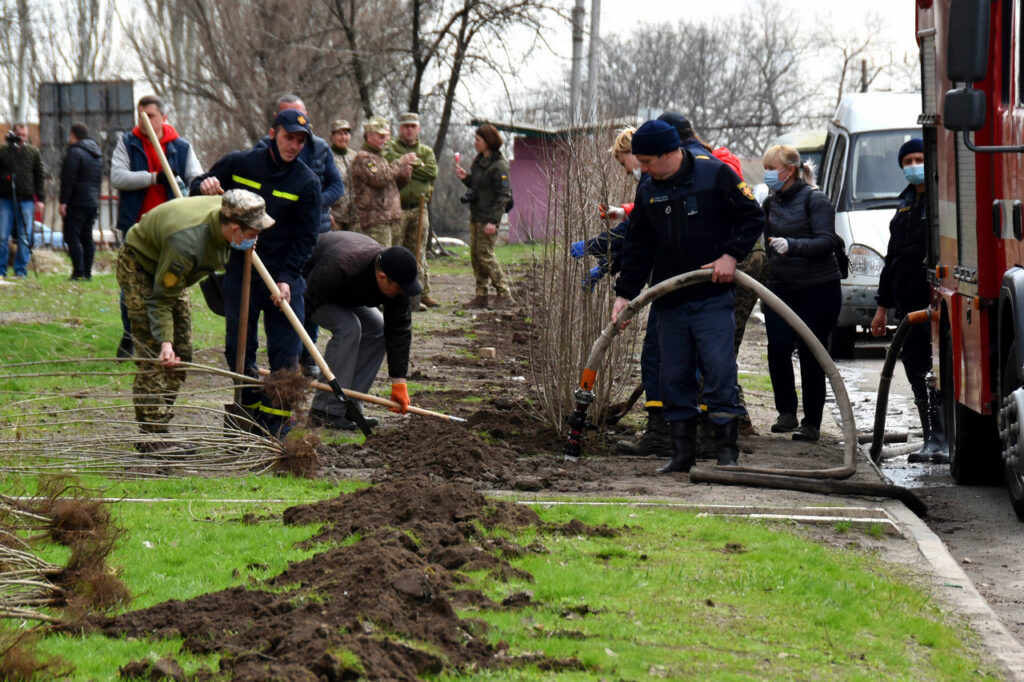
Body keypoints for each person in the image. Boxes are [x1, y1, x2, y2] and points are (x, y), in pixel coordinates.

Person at [612, 119, 763, 474]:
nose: (643, 170)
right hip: (670, 300)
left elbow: (751, 217)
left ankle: (727, 453)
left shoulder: (716, 176)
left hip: (711, 295)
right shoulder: (649, 188)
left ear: (670, 153)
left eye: (647, 162)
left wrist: (730, 254)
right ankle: (682, 455)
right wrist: (624, 296)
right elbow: (638, 246)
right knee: (674, 376)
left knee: (719, 370)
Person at [191, 108, 321, 438]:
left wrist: (288, 278)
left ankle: (276, 424)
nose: (294, 145)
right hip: (242, 269)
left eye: (300, 140)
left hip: (282, 277)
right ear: (273, 132)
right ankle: (245, 418)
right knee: (239, 348)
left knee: (286, 354)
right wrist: (204, 185)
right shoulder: (241, 164)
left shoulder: (306, 182)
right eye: (289, 137)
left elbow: (307, 237)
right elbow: (198, 188)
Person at [117, 190, 274, 452]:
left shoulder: (228, 214)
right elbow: (160, 300)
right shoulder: (187, 245)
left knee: (184, 352)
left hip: (168, 265)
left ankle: (161, 427)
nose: (255, 239)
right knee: (157, 354)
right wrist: (165, 342)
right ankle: (152, 438)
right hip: (142, 265)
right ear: (234, 228)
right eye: (252, 234)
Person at [658, 111, 767, 439]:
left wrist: (729, 256)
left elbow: (743, 216)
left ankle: (727, 427)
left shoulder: (704, 165)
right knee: (716, 348)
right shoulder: (700, 160)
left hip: (739, 264)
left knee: (717, 349)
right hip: (738, 260)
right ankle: (730, 422)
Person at [870, 138, 948, 464]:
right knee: (916, 371)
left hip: (933, 304)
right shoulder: (903, 206)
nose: (914, 164)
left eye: (919, 158)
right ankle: (930, 438)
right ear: (902, 167)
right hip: (908, 308)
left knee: (936, 372)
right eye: (908, 160)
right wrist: (882, 308)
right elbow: (893, 261)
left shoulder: (940, 202)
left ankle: (944, 438)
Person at [761, 144, 842, 443]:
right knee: (778, 347)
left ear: (790, 171)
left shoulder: (815, 199)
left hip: (817, 289)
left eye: (772, 169)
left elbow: (827, 241)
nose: (768, 175)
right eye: (766, 168)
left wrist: (791, 245)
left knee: (811, 353)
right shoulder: (769, 204)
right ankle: (786, 412)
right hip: (781, 288)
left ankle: (812, 423)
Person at [111, 95, 204, 358]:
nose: (144, 121)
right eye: (140, 115)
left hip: (171, 230)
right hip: (135, 226)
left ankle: (169, 341)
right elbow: (118, 176)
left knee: (170, 283)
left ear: (163, 118)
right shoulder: (128, 143)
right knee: (130, 286)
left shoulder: (181, 147)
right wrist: (154, 178)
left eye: (150, 116)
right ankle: (130, 336)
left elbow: (196, 179)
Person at [304, 231, 420, 429]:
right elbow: (304, 308)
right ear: (383, 277)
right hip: (308, 286)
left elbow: (398, 331)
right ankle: (324, 411)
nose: (402, 294)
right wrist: (296, 354)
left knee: (379, 328)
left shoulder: (395, 281)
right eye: (400, 289)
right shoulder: (342, 264)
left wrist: (399, 382)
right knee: (349, 328)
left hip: (344, 292)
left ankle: (350, 407)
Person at [255, 95, 344, 236]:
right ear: (276, 117)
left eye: (300, 116)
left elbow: (337, 184)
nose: (294, 119)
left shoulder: (321, 147)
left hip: (318, 228)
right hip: (278, 230)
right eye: (287, 115)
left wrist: (317, 202)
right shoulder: (264, 147)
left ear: (306, 116)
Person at [454, 123, 513, 309]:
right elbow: (479, 188)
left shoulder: (500, 166)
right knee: (476, 256)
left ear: (488, 142)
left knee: (486, 255)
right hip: (476, 215)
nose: (475, 143)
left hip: (488, 218)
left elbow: (504, 196)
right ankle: (481, 294)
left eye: (478, 140)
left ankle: (504, 293)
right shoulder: (479, 162)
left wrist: (493, 221)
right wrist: (467, 179)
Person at [384, 112, 440, 308]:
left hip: (419, 207)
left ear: (418, 129)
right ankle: (396, 291)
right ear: (400, 128)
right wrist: (409, 163)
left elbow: (432, 171)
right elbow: (390, 163)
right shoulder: (391, 147)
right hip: (397, 207)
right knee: (396, 249)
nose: (409, 129)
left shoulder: (425, 150)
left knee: (418, 249)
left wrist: (408, 165)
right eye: (406, 126)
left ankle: (422, 292)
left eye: (413, 126)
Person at [350, 116, 416, 248]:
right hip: (375, 220)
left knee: (393, 260)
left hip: (390, 218)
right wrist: (400, 162)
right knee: (381, 259)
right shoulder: (364, 159)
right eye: (381, 137)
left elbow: (390, 186)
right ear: (369, 136)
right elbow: (380, 179)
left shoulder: (380, 158)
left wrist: (403, 176)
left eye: (386, 136)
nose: (385, 140)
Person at [58, 122, 103, 281]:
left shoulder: (74, 153)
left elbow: (68, 180)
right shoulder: (96, 154)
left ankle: (78, 271)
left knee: (72, 236)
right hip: (91, 201)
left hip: (76, 201)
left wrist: (64, 202)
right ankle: (88, 273)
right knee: (87, 237)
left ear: (73, 135)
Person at [0, 123, 45, 279]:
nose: (22, 138)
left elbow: (39, 176)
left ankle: (20, 270)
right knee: (2, 235)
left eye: (25, 135)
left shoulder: (33, 152)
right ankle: (1, 270)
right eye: (19, 135)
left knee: (24, 236)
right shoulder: (3, 152)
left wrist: (40, 198)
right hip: (5, 198)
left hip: (26, 198)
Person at [329, 119, 358, 232]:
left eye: (346, 133)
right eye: (339, 133)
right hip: (335, 215)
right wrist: (328, 212)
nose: (343, 137)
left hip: (354, 216)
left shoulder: (355, 156)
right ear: (332, 136)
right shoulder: (327, 155)